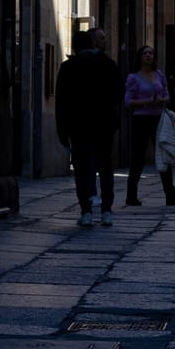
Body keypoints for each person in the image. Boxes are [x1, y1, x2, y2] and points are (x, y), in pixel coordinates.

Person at [54, 27, 124, 227]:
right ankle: (106, 211)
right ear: (92, 44)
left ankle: (85, 211)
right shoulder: (108, 64)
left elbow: (61, 101)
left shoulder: (68, 67)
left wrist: (62, 130)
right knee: (105, 167)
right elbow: (119, 93)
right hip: (104, 124)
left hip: (78, 126)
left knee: (82, 168)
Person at [124, 44, 175, 206]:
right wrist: (146, 102)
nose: (149, 56)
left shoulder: (159, 75)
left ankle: (170, 196)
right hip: (141, 120)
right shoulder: (133, 78)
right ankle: (131, 196)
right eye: (146, 53)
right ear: (140, 57)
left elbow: (167, 96)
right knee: (138, 157)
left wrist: (162, 100)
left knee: (164, 155)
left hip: (159, 119)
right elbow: (128, 102)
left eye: (151, 53)